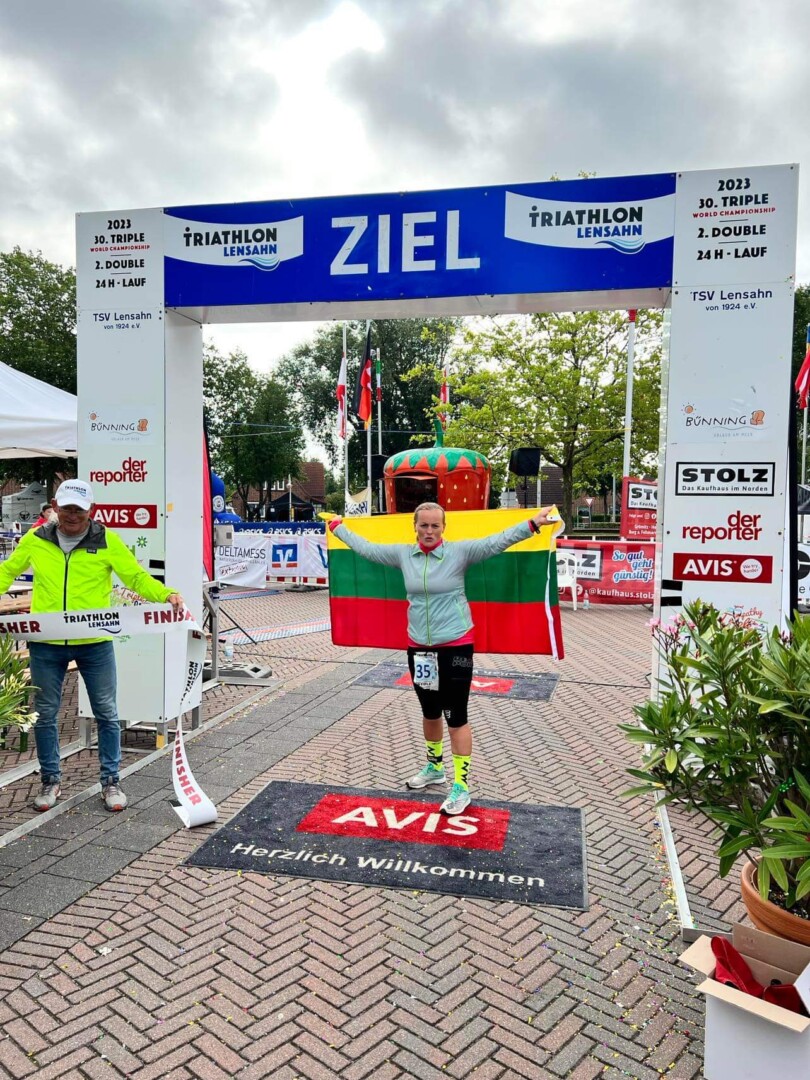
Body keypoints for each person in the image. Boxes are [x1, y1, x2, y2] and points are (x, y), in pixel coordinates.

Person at [330, 502, 557, 815]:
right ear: (414, 526)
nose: (429, 531)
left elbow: (497, 541)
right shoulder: (403, 555)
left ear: (443, 528)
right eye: (423, 525)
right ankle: (434, 768)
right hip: (420, 649)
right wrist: (338, 528)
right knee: (430, 711)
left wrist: (532, 523)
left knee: (456, 716)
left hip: (455, 646)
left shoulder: (458, 553)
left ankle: (461, 786)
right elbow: (367, 549)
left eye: (435, 526)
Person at [0, 478, 184, 813]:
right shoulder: (35, 539)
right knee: (45, 714)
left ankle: (111, 781)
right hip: (46, 644)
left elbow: (135, 577)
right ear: (55, 507)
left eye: (80, 510)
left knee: (107, 713)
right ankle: (50, 780)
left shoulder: (106, 539)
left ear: (92, 510)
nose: (73, 515)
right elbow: (8, 571)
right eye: (67, 508)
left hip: (94, 643)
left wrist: (165, 594)